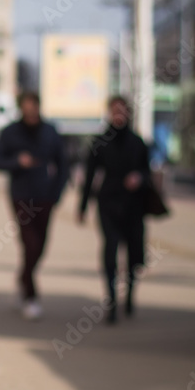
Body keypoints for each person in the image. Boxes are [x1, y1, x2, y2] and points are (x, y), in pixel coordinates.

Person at [0, 91, 68, 321]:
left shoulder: (50, 132)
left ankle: (23, 278)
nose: (31, 110)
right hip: (21, 196)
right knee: (29, 243)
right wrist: (17, 161)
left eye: (33, 105)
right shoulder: (10, 132)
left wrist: (56, 194)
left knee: (41, 245)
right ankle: (31, 296)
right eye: (26, 106)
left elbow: (63, 165)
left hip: (45, 196)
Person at [77, 96, 151, 324]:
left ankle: (128, 295)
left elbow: (147, 171)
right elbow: (89, 175)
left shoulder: (138, 142)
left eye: (122, 110)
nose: (118, 114)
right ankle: (110, 299)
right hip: (108, 203)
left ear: (128, 113)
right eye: (114, 110)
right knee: (110, 250)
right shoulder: (100, 141)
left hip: (134, 205)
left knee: (134, 254)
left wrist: (139, 177)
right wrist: (82, 206)